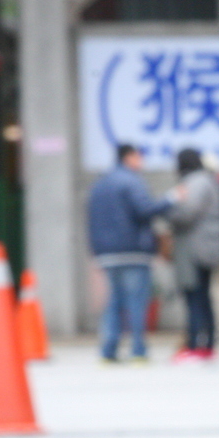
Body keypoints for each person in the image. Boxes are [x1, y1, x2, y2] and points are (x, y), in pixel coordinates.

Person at [87, 144, 172, 363]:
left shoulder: (100, 183)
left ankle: (108, 351)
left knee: (114, 301)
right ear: (129, 157)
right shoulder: (132, 181)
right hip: (133, 250)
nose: (141, 161)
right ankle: (138, 350)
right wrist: (170, 199)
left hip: (106, 253)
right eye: (139, 156)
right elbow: (145, 210)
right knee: (136, 302)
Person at [167, 148, 219, 362]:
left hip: (196, 249)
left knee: (194, 297)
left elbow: (187, 213)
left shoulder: (195, 182)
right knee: (204, 297)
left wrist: (169, 207)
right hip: (210, 247)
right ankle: (208, 345)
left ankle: (196, 345)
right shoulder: (209, 180)